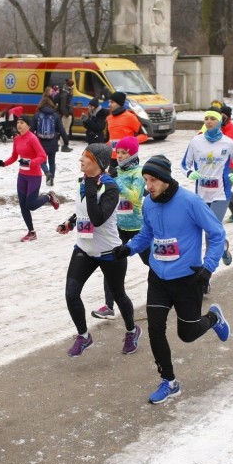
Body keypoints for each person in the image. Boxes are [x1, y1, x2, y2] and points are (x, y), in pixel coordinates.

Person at [112, 154, 232, 404]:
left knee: (187, 334)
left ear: (166, 179)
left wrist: (208, 268)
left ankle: (213, 318)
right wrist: (130, 248)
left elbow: (217, 233)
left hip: (188, 278)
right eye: (146, 180)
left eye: (153, 180)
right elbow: (147, 233)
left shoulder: (190, 202)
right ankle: (169, 381)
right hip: (158, 276)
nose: (149, 185)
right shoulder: (148, 203)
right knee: (155, 329)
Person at [55, 143, 141, 357]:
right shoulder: (83, 183)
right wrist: (71, 221)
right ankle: (84, 336)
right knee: (71, 293)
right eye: (82, 156)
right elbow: (84, 210)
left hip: (109, 252)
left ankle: (132, 330)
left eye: (87, 157)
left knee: (119, 295)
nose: (81, 160)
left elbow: (98, 217)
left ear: (99, 164)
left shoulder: (109, 187)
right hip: (84, 248)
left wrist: (92, 186)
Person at [90, 137, 149, 321]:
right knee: (110, 265)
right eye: (119, 152)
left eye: (125, 153)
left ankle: (167, 294)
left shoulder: (138, 173)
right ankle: (109, 306)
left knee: (153, 264)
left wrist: (116, 182)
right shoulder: (115, 172)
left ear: (133, 154)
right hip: (118, 227)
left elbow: (134, 197)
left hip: (138, 228)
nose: (121, 156)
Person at [181, 109, 233, 269]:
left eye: (212, 119)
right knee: (208, 231)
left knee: (210, 232)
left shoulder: (228, 143)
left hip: (221, 194)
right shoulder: (196, 141)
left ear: (219, 122)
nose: (209, 121)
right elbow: (184, 164)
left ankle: (207, 273)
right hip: (201, 194)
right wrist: (189, 173)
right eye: (206, 118)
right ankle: (222, 246)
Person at [0, 115, 60, 241]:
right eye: (18, 122)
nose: (19, 125)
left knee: (31, 205)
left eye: (22, 123)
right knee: (23, 205)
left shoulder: (32, 139)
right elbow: (14, 157)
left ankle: (48, 196)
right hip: (22, 176)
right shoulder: (17, 139)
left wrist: (30, 162)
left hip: (34, 177)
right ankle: (31, 232)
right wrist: (4, 163)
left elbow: (42, 157)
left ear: (28, 125)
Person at [32, 93, 70, 187]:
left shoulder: (37, 115)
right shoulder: (55, 115)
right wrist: (66, 141)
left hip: (40, 143)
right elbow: (61, 129)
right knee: (52, 161)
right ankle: (51, 179)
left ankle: (47, 173)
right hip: (53, 142)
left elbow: (31, 130)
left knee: (42, 161)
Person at [105, 91, 148, 174]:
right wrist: (105, 146)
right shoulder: (109, 118)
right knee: (113, 184)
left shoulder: (130, 117)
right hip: (114, 158)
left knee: (128, 184)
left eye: (112, 102)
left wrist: (129, 142)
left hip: (128, 158)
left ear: (119, 104)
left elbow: (144, 135)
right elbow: (112, 139)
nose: (109, 104)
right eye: (109, 102)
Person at [56, 78, 75, 149]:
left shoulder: (66, 92)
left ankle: (64, 144)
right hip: (66, 115)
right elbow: (63, 106)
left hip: (66, 114)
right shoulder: (65, 93)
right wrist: (67, 114)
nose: (73, 87)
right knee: (65, 131)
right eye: (72, 86)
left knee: (65, 130)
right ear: (70, 86)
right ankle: (64, 145)